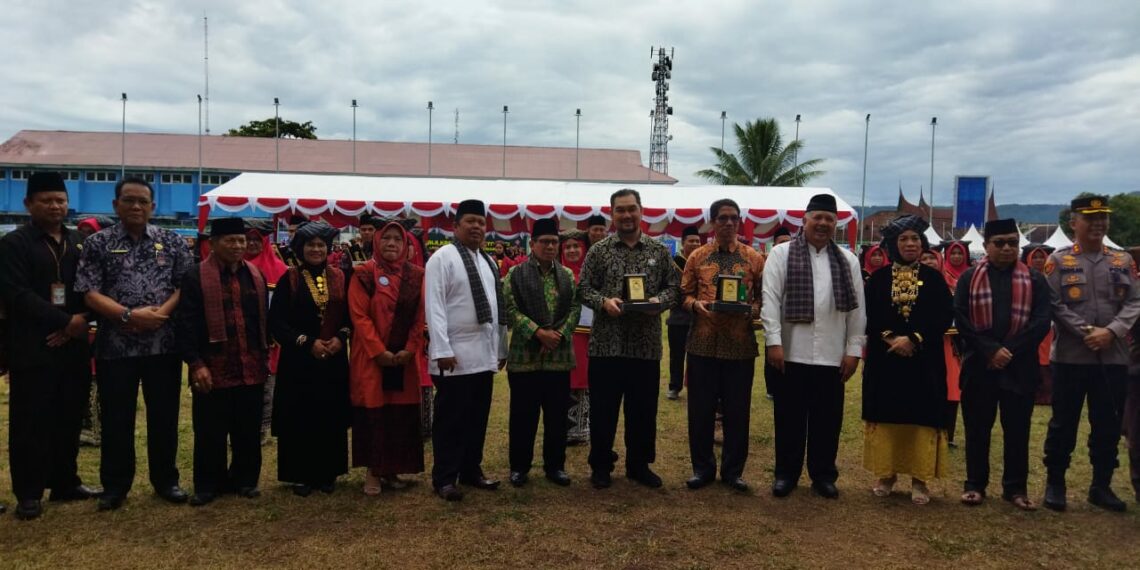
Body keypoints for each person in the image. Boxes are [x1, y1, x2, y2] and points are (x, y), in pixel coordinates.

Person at [75, 176, 193, 511]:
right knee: (116, 418)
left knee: (164, 417)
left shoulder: (171, 241)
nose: (136, 206)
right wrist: (128, 316)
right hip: (116, 347)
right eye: (129, 200)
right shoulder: (97, 243)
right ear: (116, 205)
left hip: (163, 346)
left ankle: (166, 480)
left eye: (143, 201)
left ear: (153, 206)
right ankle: (115, 485)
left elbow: (183, 286)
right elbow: (88, 291)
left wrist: (157, 316)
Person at [0, 172, 101, 520]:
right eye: (47, 200)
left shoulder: (78, 243)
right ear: (29, 204)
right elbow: (15, 294)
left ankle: (65, 482)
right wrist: (64, 322)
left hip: (73, 345)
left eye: (60, 200)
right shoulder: (14, 245)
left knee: (69, 416)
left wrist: (79, 321)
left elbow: (92, 289)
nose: (55, 206)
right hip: (34, 345)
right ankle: (29, 492)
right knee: (31, 421)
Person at [761, 193, 865, 499]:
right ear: (804, 221)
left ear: (836, 224)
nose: (822, 224)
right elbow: (770, 301)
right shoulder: (781, 254)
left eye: (829, 219)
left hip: (832, 355)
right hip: (791, 351)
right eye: (816, 218)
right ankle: (786, 474)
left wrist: (853, 350)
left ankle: (823, 475)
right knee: (788, 417)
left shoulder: (848, 261)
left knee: (827, 419)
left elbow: (858, 310)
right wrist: (774, 342)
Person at [1042, 195, 1140, 513]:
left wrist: (1111, 331)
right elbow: (1053, 304)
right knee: (1063, 423)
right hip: (1071, 357)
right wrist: (1087, 332)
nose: (1098, 224)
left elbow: (1135, 303)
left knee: (1108, 424)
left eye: (1103, 218)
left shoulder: (1122, 260)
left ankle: (1102, 485)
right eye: (1090, 218)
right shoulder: (1057, 261)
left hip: (1113, 357)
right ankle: (1055, 483)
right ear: (1074, 223)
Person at [579, 188, 680, 489]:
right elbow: (583, 287)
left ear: (641, 210)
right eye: (620, 210)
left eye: (631, 209)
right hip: (606, 346)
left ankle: (639, 465)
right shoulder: (599, 250)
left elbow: (674, 289)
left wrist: (657, 302)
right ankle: (600, 466)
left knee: (643, 411)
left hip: (645, 347)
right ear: (612, 214)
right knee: (603, 410)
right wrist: (603, 302)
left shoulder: (659, 251)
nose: (626, 215)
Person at [954, 219, 1051, 510]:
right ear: (986, 246)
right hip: (979, 365)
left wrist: (1008, 350)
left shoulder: (1034, 279)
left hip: (1019, 367)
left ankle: (1015, 488)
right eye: (1000, 243)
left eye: (1012, 242)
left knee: (1018, 430)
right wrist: (990, 350)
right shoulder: (969, 278)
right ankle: (974, 485)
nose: (1007, 248)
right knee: (977, 428)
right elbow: (961, 319)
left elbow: (1041, 321)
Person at [176, 217, 270, 506]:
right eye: (230, 240)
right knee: (210, 429)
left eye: (241, 240)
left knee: (248, 428)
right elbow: (186, 324)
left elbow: (261, 322)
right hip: (213, 366)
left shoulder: (255, 274)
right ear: (213, 244)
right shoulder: (195, 276)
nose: (238, 245)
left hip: (250, 365)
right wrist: (195, 363)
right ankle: (208, 484)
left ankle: (245, 480)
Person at [862, 215, 954, 505]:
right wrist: (891, 338)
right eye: (904, 239)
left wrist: (913, 339)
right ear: (893, 244)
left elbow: (942, 316)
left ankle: (919, 479)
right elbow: (871, 314)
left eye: (915, 238)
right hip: (886, 359)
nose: (911, 243)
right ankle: (886, 474)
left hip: (923, 361)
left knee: (922, 415)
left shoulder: (935, 279)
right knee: (887, 413)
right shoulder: (878, 279)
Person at [425, 199, 508, 501]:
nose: (476, 227)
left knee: (477, 417)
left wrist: (499, 348)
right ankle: (445, 477)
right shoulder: (442, 258)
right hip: (454, 355)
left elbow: (496, 310)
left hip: (483, 356)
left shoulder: (487, 261)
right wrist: (441, 349)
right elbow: (434, 308)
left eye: (481, 222)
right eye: (470, 221)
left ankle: (471, 469)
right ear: (455, 226)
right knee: (451, 419)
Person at [680, 199, 764, 492]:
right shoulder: (697, 257)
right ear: (712, 222)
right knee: (700, 411)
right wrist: (696, 305)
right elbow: (684, 294)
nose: (728, 223)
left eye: (734, 218)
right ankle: (702, 469)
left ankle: (733, 472)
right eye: (722, 218)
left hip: (740, 346)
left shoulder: (754, 258)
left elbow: (762, 299)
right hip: (703, 344)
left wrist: (752, 309)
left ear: (739, 222)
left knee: (738, 411)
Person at [270, 221, 351, 496]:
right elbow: (276, 322)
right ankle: (301, 474)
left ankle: (328, 472)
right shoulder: (289, 279)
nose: (316, 249)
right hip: (299, 361)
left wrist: (340, 338)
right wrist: (307, 343)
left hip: (333, 359)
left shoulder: (340, 277)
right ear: (300, 248)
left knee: (330, 413)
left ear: (328, 248)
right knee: (300, 414)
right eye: (310, 245)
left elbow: (351, 316)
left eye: (321, 245)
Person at [349, 221, 427, 496]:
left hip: (403, 360)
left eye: (397, 239)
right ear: (376, 242)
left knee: (399, 412)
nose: (392, 243)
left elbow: (420, 318)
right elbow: (359, 316)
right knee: (375, 410)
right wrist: (378, 351)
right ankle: (373, 470)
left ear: (406, 244)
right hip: (372, 358)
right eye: (386, 239)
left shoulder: (416, 275)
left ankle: (392, 469)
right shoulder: (364, 274)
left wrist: (410, 348)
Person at [503, 217, 580, 487]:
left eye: (553, 242)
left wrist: (559, 335)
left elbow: (574, 309)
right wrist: (538, 333)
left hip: (558, 358)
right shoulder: (516, 274)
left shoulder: (567, 275)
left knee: (557, 418)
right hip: (526, 358)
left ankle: (554, 466)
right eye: (544, 242)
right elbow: (510, 310)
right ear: (532, 244)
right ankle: (519, 467)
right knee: (523, 416)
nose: (550, 246)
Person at [244, 221, 289, 446]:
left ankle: (261, 429)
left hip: (271, 339)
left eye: (256, 240)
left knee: (267, 387)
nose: (252, 244)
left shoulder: (279, 269)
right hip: (242, 338)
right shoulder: (234, 266)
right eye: (248, 239)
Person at [560, 230, 593, 445]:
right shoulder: (556, 275)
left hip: (587, 337)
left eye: (576, 246)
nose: (572, 250)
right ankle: (561, 428)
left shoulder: (593, 275)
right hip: (562, 336)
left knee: (584, 380)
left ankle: (580, 429)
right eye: (568, 247)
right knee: (562, 381)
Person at [666, 226, 702, 400]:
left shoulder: (704, 263)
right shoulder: (673, 263)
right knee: (677, 355)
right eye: (691, 241)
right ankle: (674, 386)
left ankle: (696, 386)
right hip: (678, 318)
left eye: (697, 241)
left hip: (700, 318)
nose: (695, 244)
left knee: (697, 357)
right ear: (683, 243)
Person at [1022, 243, 1057, 405]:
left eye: (1041, 257)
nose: (1038, 260)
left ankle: (1048, 394)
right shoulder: (1022, 277)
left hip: (1049, 324)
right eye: (1034, 257)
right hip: (1026, 323)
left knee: (1047, 357)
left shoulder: (1053, 276)